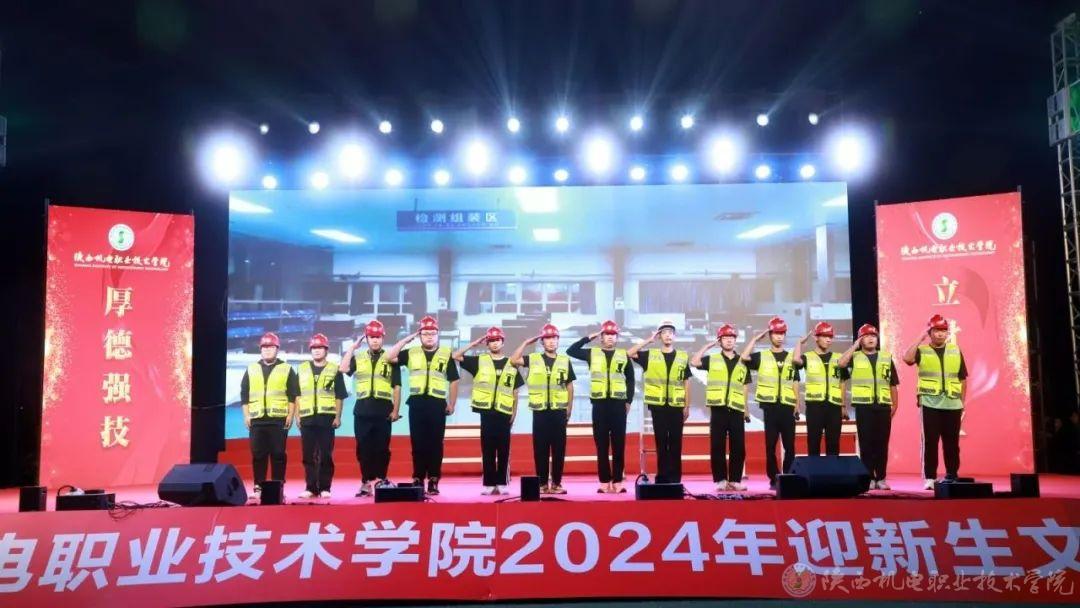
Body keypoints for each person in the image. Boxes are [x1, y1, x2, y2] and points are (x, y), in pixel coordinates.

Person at [387, 315, 459, 496]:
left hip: (437, 404)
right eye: (425, 333)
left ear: (438, 335)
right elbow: (389, 357)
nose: (429, 337)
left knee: (436, 444)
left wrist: (452, 403)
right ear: (419, 335)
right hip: (417, 403)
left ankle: (433, 479)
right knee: (418, 443)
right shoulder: (411, 352)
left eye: (432, 333)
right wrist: (406, 340)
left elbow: (453, 380)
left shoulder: (445, 354)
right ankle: (418, 477)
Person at [454, 327, 523, 495]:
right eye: (491, 341)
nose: (495, 343)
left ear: (503, 342)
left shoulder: (511, 363)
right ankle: (489, 483)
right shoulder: (480, 361)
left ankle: (502, 482)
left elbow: (515, 391)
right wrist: (474, 343)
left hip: (505, 412)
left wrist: (514, 412)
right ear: (487, 344)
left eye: (497, 340)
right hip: (486, 412)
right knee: (488, 449)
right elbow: (456, 356)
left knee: (504, 449)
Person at [568, 320, 635, 493]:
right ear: (601, 337)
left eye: (613, 334)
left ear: (617, 337)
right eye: (606, 334)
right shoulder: (592, 353)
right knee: (602, 445)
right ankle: (604, 481)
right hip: (600, 405)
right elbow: (571, 351)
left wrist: (628, 401)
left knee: (619, 444)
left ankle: (618, 481)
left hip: (618, 405)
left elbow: (630, 379)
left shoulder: (623, 355)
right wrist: (588, 338)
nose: (610, 337)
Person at [903, 313, 968, 490]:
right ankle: (930, 477)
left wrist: (962, 402)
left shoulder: (955, 350)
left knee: (952, 443)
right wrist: (920, 337)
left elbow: (962, 378)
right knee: (930, 442)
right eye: (936, 330)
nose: (940, 334)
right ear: (930, 332)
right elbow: (907, 358)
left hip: (953, 404)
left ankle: (952, 474)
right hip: (929, 403)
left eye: (943, 331)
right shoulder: (922, 350)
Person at [510, 324, 575, 494]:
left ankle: (557, 484)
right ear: (542, 341)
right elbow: (513, 360)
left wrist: (569, 407)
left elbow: (569, 386)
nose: (551, 341)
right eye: (548, 338)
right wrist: (526, 343)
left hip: (559, 411)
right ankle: (542, 484)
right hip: (540, 412)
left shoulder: (564, 361)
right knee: (540, 449)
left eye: (554, 338)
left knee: (559, 450)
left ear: (558, 340)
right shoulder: (533, 358)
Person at [339, 320, 401, 497]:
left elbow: (397, 386)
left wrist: (395, 411)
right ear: (366, 339)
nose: (375, 340)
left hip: (383, 410)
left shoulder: (391, 358)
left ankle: (381, 480)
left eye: (378, 337)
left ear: (383, 338)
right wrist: (352, 348)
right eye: (372, 337)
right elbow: (343, 368)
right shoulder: (359, 357)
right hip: (363, 410)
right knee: (363, 447)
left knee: (382, 448)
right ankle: (366, 482)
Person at [627, 320, 691, 484]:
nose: (668, 335)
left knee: (676, 443)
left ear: (674, 336)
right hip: (658, 407)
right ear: (659, 336)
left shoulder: (682, 357)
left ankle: (675, 478)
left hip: (676, 406)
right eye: (664, 332)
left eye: (671, 332)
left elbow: (686, 382)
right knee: (661, 443)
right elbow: (629, 353)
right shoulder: (651, 355)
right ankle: (662, 477)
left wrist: (687, 405)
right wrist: (649, 340)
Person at [741, 316, 801, 490]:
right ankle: (774, 479)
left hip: (788, 406)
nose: (779, 337)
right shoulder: (762, 356)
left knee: (790, 446)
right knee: (770, 446)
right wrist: (755, 339)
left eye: (782, 333)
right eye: (776, 333)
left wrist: (797, 404)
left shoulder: (791, 357)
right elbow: (744, 357)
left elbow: (795, 381)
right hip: (770, 407)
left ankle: (788, 476)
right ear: (770, 335)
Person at [838, 323, 899, 490]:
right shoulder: (854, 357)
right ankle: (869, 477)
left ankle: (881, 478)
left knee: (882, 444)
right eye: (866, 336)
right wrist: (854, 346)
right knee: (866, 444)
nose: (871, 339)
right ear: (860, 340)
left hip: (883, 406)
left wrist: (895, 404)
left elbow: (893, 383)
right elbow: (841, 363)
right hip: (864, 406)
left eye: (873, 336)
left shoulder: (886, 357)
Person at [691, 324, 751, 492]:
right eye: (725, 338)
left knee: (738, 446)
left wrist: (746, 408)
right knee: (717, 446)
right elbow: (694, 362)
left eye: (732, 337)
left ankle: (735, 480)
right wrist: (707, 346)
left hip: (737, 409)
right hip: (718, 409)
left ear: (735, 340)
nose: (729, 340)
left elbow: (745, 386)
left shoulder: (742, 361)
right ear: (720, 341)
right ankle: (721, 480)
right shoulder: (712, 359)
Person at [239, 332, 299, 497]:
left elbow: (292, 394)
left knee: (278, 454)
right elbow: (244, 394)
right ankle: (258, 487)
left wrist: (290, 415)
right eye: (264, 347)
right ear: (260, 349)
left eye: (270, 347)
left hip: (278, 419)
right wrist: (246, 415)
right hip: (257, 419)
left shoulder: (287, 369)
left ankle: (278, 487)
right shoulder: (251, 369)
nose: (267, 350)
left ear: (277, 349)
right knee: (258, 454)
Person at [295, 333, 347, 499]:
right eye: (314, 348)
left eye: (320, 348)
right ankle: (310, 487)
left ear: (326, 350)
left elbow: (339, 396)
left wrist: (337, 417)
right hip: (307, 418)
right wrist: (297, 416)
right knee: (308, 455)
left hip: (327, 418)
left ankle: (325, 487)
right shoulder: (302, 369)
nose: (317, 351)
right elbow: (297, 395)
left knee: (326, 454)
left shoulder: (334, 370)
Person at [793, 322, 846, 457]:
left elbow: (842, 383)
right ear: (816, 337)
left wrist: (843, 406)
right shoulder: (808, 357)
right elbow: (796, 360)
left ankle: (832, 470)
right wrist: (799, 343)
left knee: (833, 445)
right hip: (814, 406)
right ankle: (814, 470)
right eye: (824, 336)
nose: (828, 339)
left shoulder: (839, 358)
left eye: (830, 337)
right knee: (813, 444)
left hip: (834, 407)